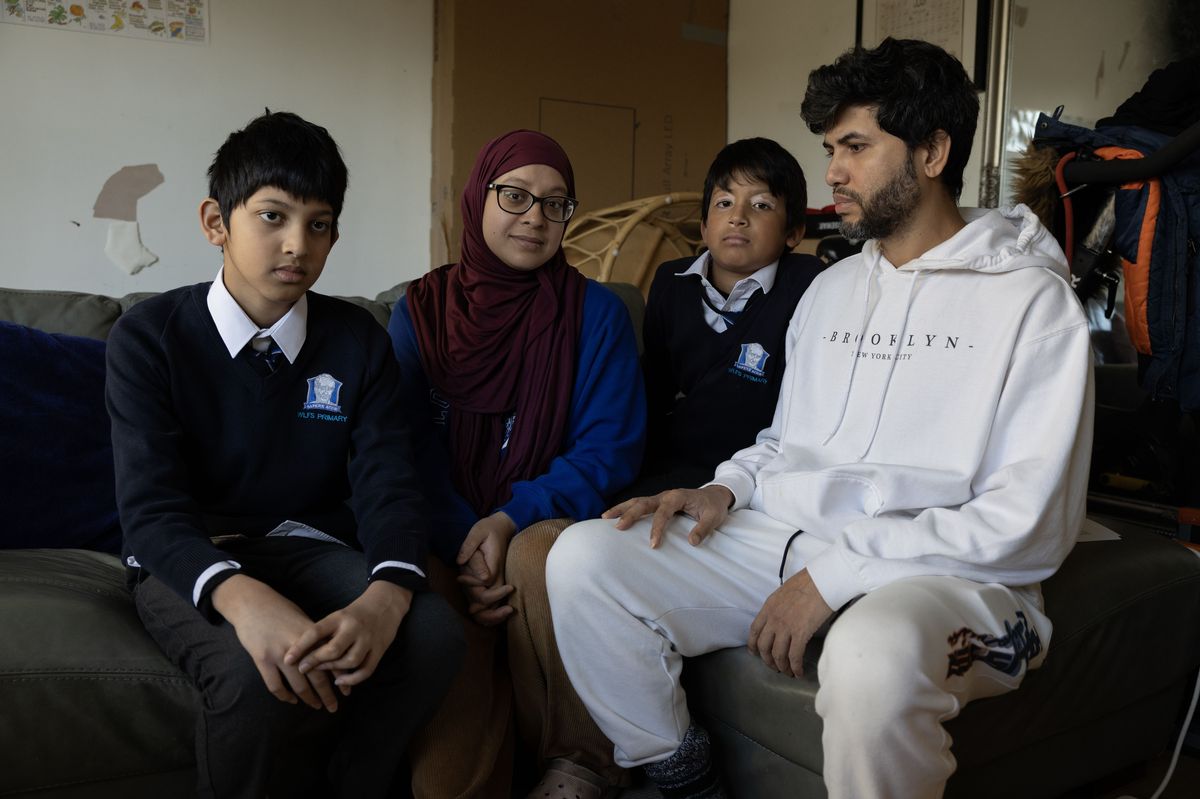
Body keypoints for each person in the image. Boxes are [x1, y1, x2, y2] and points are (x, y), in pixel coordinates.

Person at [546, 38, 1094, 799]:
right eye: (831, 148)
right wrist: (725, 489)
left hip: (949, 577)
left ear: (933, 151)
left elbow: (1025, 523)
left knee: (873, 654)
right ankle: (682, 775)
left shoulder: (1033, 306)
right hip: (784, 537)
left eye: (857, 147)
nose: (832, 171)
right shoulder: (831, 293)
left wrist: (834, 576)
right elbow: (785, 441)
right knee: (585, 560)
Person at [105, 110, 464, 799]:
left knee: (433, 635)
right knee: (253, 677)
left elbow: (389, 482)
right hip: (191, 552)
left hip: (313, 546)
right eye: (273, 216)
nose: (297, 244)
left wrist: (387, 594)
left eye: (319, 223)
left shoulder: (358, 340)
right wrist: (242, 598)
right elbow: (150, 511)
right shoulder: (148, 337)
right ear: (216, 221)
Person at [388, 130, 645, 798]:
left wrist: (508, 518)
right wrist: (464, 536)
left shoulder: (597, 314)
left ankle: (578, 765)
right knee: (434, 589)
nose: (535, 216)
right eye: (516, 195)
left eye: (556, 204)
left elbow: (606, 447)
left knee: (542, 556)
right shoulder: (420, 312)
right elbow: (402, 445)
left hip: (544, 521)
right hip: (443, 526)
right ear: (480, 198)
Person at [635, 137, 825, 496]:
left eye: (761, 204)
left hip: (756, 477)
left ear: (794, 233)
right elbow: (653, 388)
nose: (738, 216)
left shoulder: (806, 285)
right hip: (669, 466)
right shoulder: (670, 281)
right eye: (724, 203)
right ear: (705, 226)